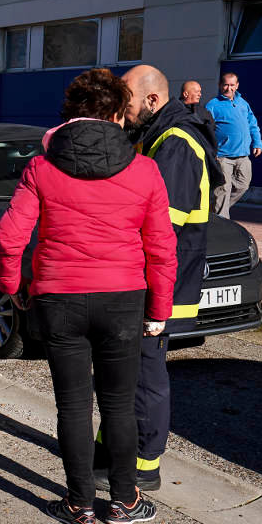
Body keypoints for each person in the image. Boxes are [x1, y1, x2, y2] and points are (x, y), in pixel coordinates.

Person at [0, 68, 177, 524]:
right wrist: (159, 312)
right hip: (122, 300)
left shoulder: (41, 166)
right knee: (118, 405)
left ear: (71, 114)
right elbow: (161, 249)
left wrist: (14, 286)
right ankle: (124, 501)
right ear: (118, 113)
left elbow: (9, 237)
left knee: (72, 406)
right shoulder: (144, 169)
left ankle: (79, 506)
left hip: (59, 298)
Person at [92, 65, 215, 494]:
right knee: (124, 372)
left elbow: (161, 225)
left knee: (145, 374)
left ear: (151, 100)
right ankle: (110, 451)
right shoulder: (157, 137)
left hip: (162, 284)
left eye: (126, 105)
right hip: (146, 280)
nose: (123, 116)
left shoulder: (177, 145)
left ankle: (144, 465)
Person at [205, 72, 262, 218]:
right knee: (223, 189)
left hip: (243, 155)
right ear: (220, 85)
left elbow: (252, 124)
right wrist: (211, 152)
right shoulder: (213, 105)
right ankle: (221, 221)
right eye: (225, 85)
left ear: (237, 86)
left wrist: (257, 142)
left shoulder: (243, 103)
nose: (228, 88)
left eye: (232, 85)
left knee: (243, 185)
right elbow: (206, 129)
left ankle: (215, 210)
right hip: (223, 156)